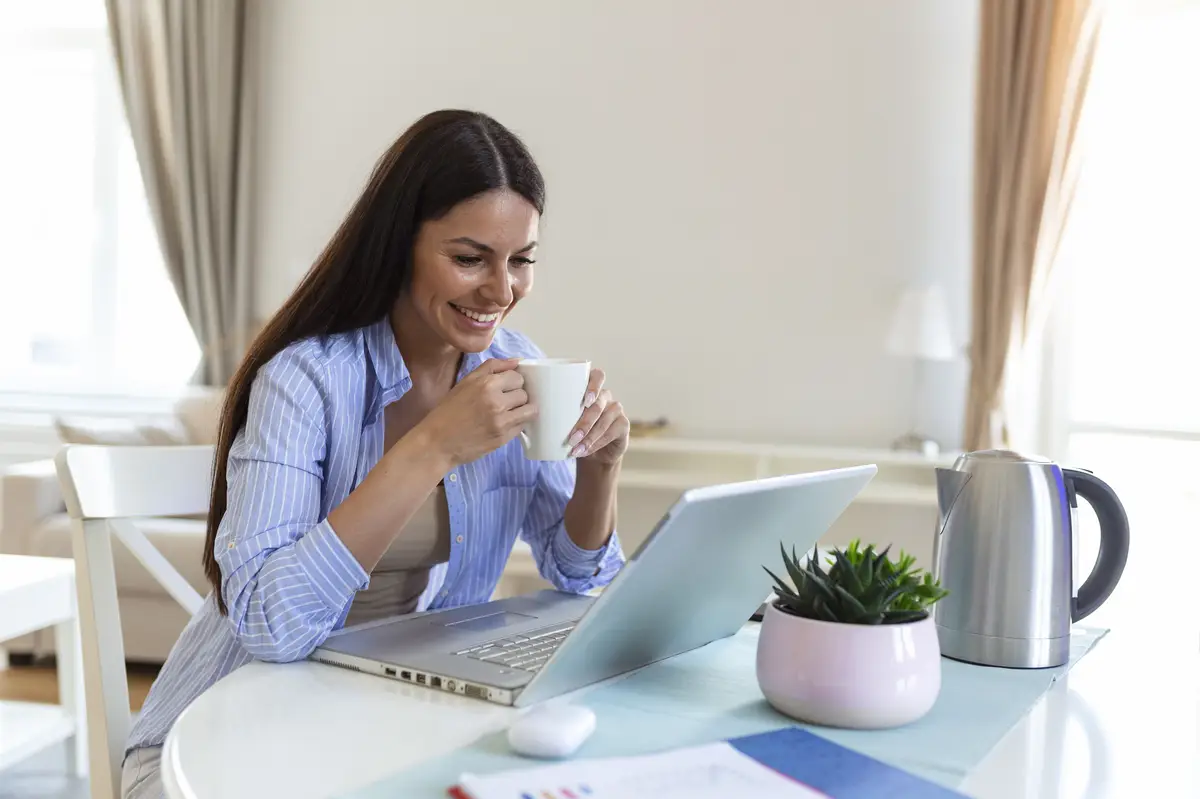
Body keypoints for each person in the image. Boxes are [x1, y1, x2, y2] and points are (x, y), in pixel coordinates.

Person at [119, 109, 629, 799]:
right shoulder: (304, 382)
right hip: (217, 746)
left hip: (384, 730)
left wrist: (600, 469)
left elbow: (580, 578)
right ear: (399, 245)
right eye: (470, 257)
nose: (502, 290)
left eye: (522, 260)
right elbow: (272, 625)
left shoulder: (519, 369)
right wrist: (434, 445)